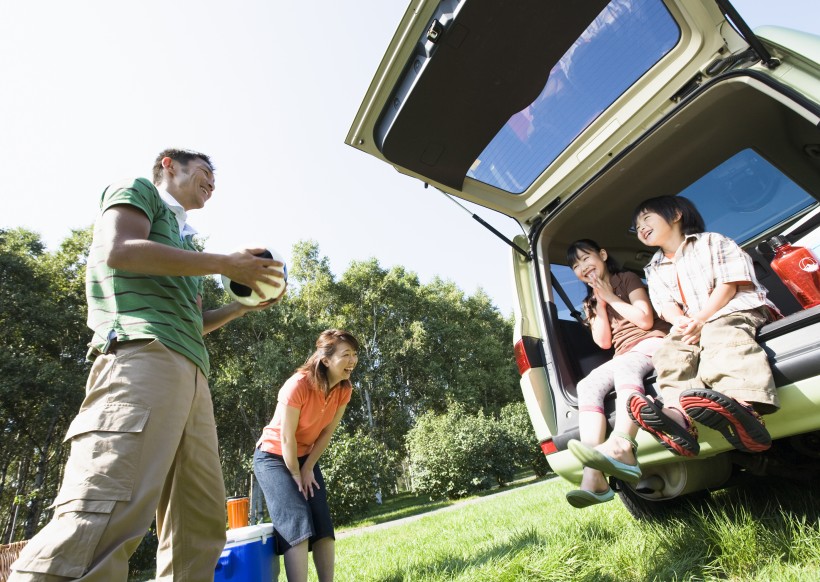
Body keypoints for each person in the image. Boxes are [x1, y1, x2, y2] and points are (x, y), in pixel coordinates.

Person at [11, 148, 286, 581]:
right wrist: (224, 263)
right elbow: (121, 251)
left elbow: (194, 324)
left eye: (214, 180)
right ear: (168, 165)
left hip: (192, 374)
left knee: (198, 529)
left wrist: (241, 307)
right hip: (142, 358)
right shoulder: (138, 191)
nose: (211, 183)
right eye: (204, 172)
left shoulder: (184, 243)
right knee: (102, 514)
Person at [627, 195, 779, 458]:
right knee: (670, 351)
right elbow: (664, 304)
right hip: (693, 325)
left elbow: (729, 284)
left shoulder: (711, 241)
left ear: (676, 215)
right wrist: (681, 321)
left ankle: (742, 406)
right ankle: (677, 416)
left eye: (646, 218)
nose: (641, 228)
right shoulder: (653, 267)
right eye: (636, 227)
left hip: (733, 309)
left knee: (720, 334)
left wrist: (703, 317)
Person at [564, 240, 670, 508]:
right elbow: (603, 343)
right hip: (623, 353)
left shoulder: (626, 279)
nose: (582, 267)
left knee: (626, 365)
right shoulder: (589, 302)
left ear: (602, 254)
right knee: (587, 386)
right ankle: (594, 476)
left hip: (653, 340)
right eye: (575, 265)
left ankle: (623, 446)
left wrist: (611, 296)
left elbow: (645, 319)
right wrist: (599, 305)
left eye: (586, 258)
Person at [254, 329, 359, 582]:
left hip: (304, 457)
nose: (353, 361)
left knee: (321, 521)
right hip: (273, 457)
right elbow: (286, 437)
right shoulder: (298, 385)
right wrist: (294, 474)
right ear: (326, 360)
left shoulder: (344, 390)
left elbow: (325, 434)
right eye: (346, 354)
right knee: (296, 519)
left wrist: (308, 467)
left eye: (355, 354)